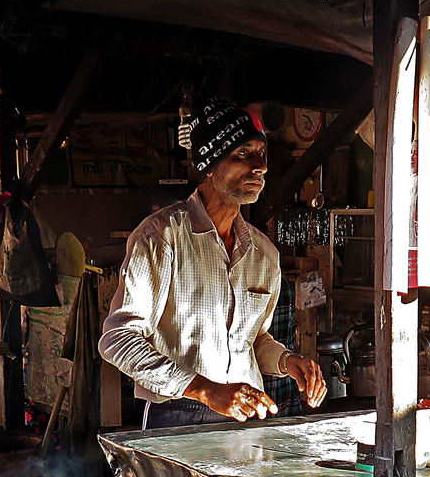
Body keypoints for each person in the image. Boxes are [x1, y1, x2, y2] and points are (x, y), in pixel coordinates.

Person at [100, 97, 326, 428]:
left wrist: (288, 361)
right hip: (177, 415)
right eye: (243, 153)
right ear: (209, 165)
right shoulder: (162, 236)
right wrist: (205, 391)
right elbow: (117, 338)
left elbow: (254, 340)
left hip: (246, 412)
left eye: (262, 154)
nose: (259, 166)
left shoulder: (263, 254)